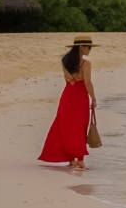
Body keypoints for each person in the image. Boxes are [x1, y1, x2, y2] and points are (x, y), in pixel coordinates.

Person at [37, 37, 96, 171]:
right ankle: (80, 160)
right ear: (81, 47)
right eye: (89, 47)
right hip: (80, 96)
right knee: (80, 126)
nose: (90, 50)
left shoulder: (65, 61)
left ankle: (71, 159)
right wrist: (94, 98)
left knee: (65, 125)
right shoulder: (86, 64)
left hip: (67, 95)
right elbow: (87, 83)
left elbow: (69, 80)